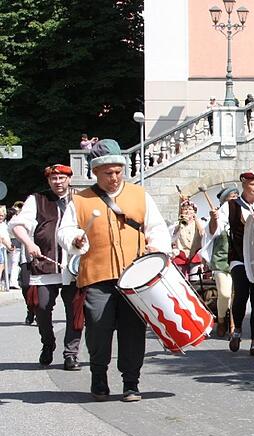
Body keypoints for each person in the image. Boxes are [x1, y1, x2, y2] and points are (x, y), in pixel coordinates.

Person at [57, 139, 172, 402]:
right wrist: (74, 239)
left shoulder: (139, 195)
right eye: (108, 172)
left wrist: (155, 251)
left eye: (118, 171)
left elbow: (156, 230)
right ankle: (99, 377)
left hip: (134, 279)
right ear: (95, 172)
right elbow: (65, 231)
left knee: (133, 331)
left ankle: (131, 383)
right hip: (97, 277)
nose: (114, 177)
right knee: (98, 328)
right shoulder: (80, 200)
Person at [9, 164, 84, 370]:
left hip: (73, 265)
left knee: (75, 311)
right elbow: (17, 225)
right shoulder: (37, 199)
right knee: (41, 306)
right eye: (54, 179)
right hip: (45, 263)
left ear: (69, 179)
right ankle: (48, 343)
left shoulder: (82, 199)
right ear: (48, 181)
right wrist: (29, 243)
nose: (58, 182)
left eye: (61, 178)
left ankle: (71, 354)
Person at [209, 171, 254, 357]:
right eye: (253, 184)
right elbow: (215, 230)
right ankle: (236, 330)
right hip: (239, 256)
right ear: (244, 184)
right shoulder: (231, 206)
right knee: (241, 294)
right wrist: (213, 220)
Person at [202, 185, 238, 337]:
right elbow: (211, 232)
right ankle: (222, 319)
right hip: (221, 262)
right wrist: (213, 219)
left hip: (238, 261)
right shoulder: (219, 217)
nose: (235, 199)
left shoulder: (242, 215)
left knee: (237, 295)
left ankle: (234, 323)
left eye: (237, 196)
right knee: (224, 293)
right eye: (232, 197)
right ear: (224, 201)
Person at [169, 197, 204, 280]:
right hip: (181, 255)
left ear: (194, 211)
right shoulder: (177, 224)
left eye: (190, 209)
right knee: (180, 280)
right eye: (185, 209)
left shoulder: (200, 222)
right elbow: (173, 234)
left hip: (195, 255)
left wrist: (196, 219)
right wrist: (181, 222)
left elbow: (203, 233)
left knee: (196, 280)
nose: (188, 211)